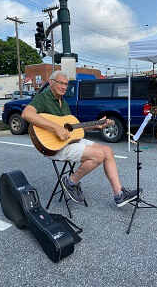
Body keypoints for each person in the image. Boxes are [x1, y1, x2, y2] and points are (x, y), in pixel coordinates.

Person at [22, 70, 137, 207]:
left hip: (68, 142)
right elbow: (26, 114)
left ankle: (119, 194)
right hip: (53, 146)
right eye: (60, 83)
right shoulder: (43, 97)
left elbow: (72, 128)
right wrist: (56, 128)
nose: (64, 87)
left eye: (66, 84)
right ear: (51, 82)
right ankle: (70, 182)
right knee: (98, 155)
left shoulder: (63, 103)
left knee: (108, 150)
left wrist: (97, 125)